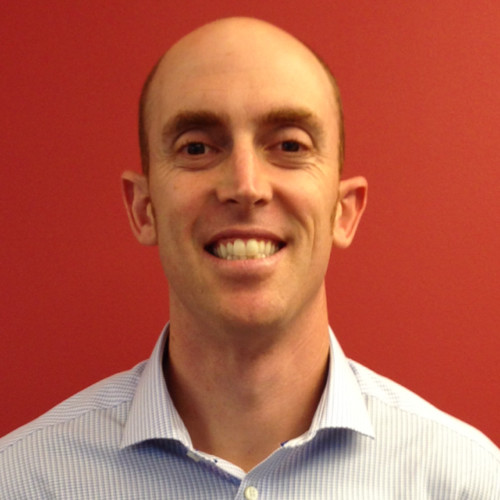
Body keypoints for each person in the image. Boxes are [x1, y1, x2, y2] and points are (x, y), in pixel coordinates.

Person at [0, 17, 498, 500]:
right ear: (144, 209)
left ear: (343, 211)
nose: (246, 185)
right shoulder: (22, 482)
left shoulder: (466, 484)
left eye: (289, 145)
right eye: (197, 148)